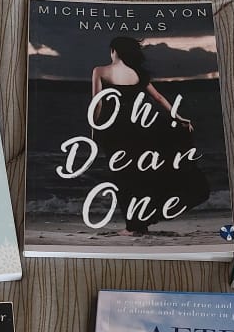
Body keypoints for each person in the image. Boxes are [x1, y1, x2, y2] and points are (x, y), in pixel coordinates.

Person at [89, 37, 208, 234]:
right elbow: (159, 98)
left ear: (114, 51)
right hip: (139, 129)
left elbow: (97, 103)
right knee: (140, 175)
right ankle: (139, 222)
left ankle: (133, 226)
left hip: (114, 131)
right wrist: (179, 118)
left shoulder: (100, 71)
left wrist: (94, 128)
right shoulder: (138, 73)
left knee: (123, 177)